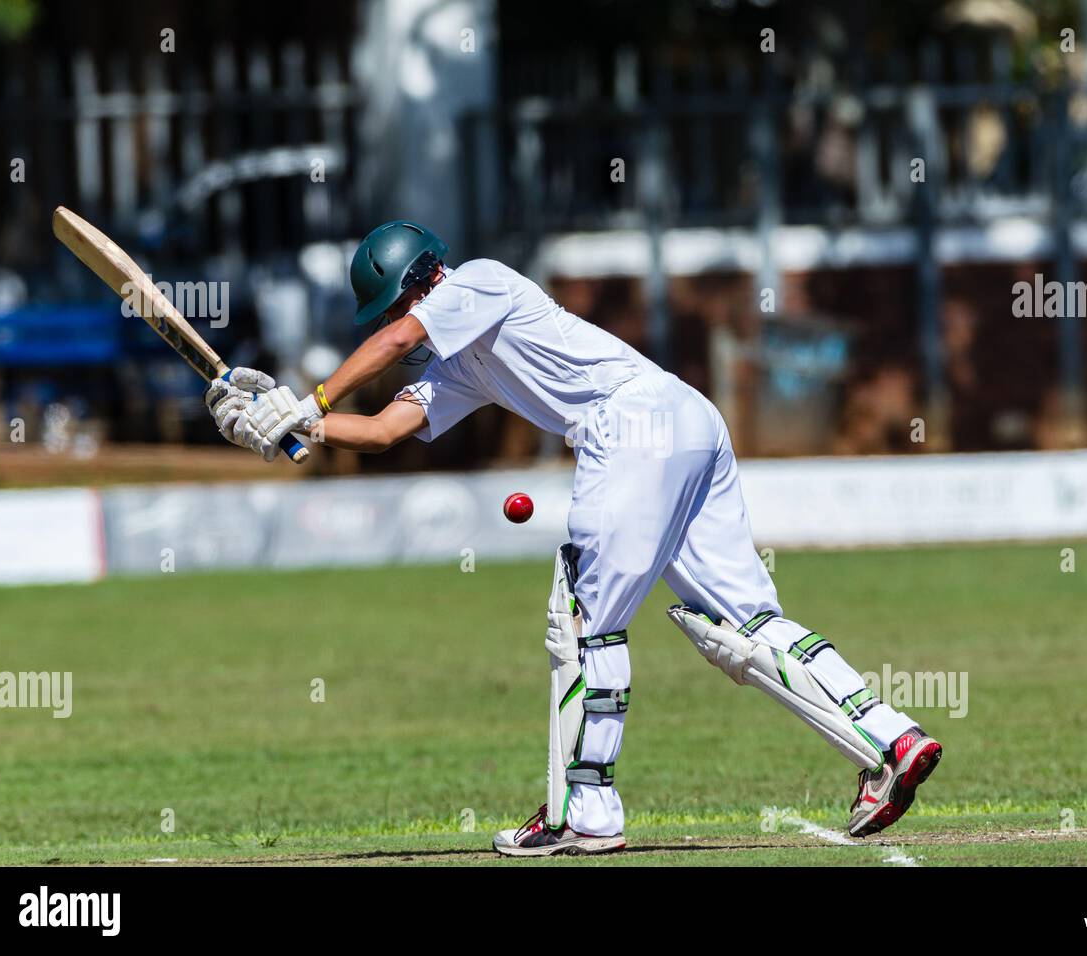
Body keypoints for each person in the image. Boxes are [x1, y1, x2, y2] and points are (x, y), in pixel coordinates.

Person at [206, 220, 943, 856]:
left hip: (630, 427)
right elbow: (384, 429)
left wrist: (310, 397)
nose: (397, 325)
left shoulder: (477, 282)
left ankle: (582, 814)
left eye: (398, 303)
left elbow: (401, 335)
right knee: (741, 626)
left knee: (583, 621)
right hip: (685, 423)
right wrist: (288, 425)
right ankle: (891, 743)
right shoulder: (460, 361)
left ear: (421, 281)